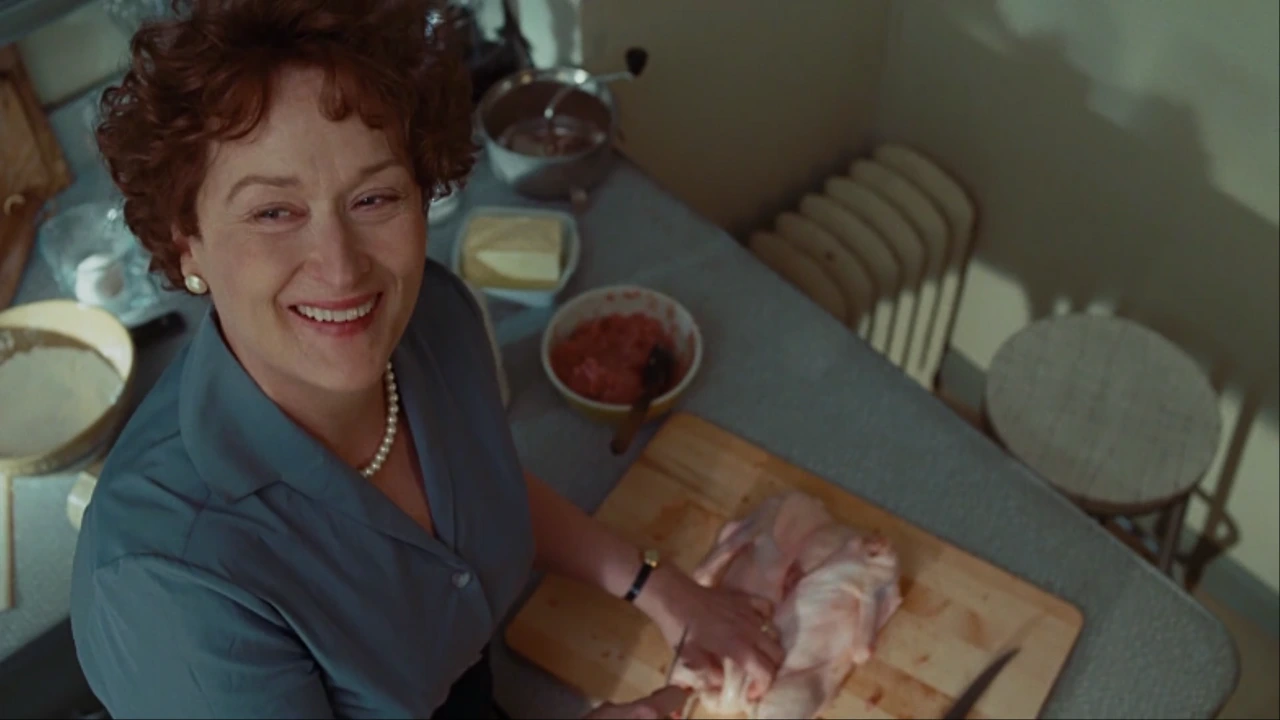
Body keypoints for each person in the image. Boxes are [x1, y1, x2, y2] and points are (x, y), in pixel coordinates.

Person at [68, 1, 783, 718]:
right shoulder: (167, 579)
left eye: (374, 197)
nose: (341, 268)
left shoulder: (433, 319)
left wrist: (660, 588)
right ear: (187, 242)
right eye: (273, 212)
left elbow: (483, 490)